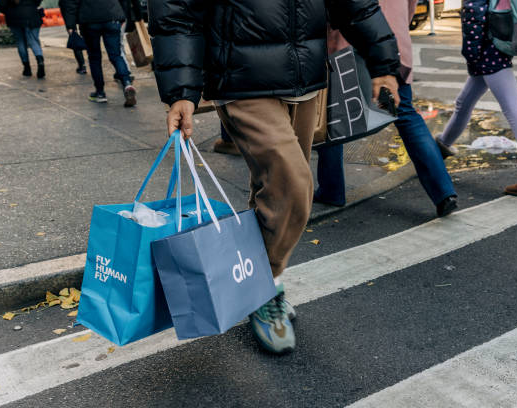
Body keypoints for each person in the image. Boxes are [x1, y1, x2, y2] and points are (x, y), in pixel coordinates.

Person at [149, 0, 400, 354]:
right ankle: (263, 288)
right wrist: (180, 91)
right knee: (293, 185)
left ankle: (256, 280)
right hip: (240, 79)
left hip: (305, 79)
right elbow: (177, 11)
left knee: (273, 190)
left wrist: (383, 63)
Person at [315, 0, 458, 217]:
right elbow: (410, 8)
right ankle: (443, 192)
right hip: (392, 46)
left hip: (349, 46)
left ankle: (332, 190)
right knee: (405, 114)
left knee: (333, 116)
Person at [435, 0, 517, 196]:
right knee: (463, 103)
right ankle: (441, 148)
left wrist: (470, 54)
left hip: (487, 51)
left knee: (513, 109)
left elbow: (475, 14)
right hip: (495, 46)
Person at [64, 0, 137, 107]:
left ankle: (100, 93)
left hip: (90, 19)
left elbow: (71, 3)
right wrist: (122, 15)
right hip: (112, 15)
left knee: (94, 57)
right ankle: (127, 83)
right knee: (116, 55)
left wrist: (70, 26)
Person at [0, 0, 45, 78]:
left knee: (20, 42)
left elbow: (2, 6)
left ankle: (27, 68)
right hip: (32, 14)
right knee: (33, 40)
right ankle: (40, 61)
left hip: (13, 16)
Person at [58, 0, 86, 74]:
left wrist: (69, 26)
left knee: (76, 41)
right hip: (85, 17)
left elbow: (65, 8)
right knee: (87, 40)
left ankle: (82, 66)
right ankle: (86, 64)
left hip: (72, 20)